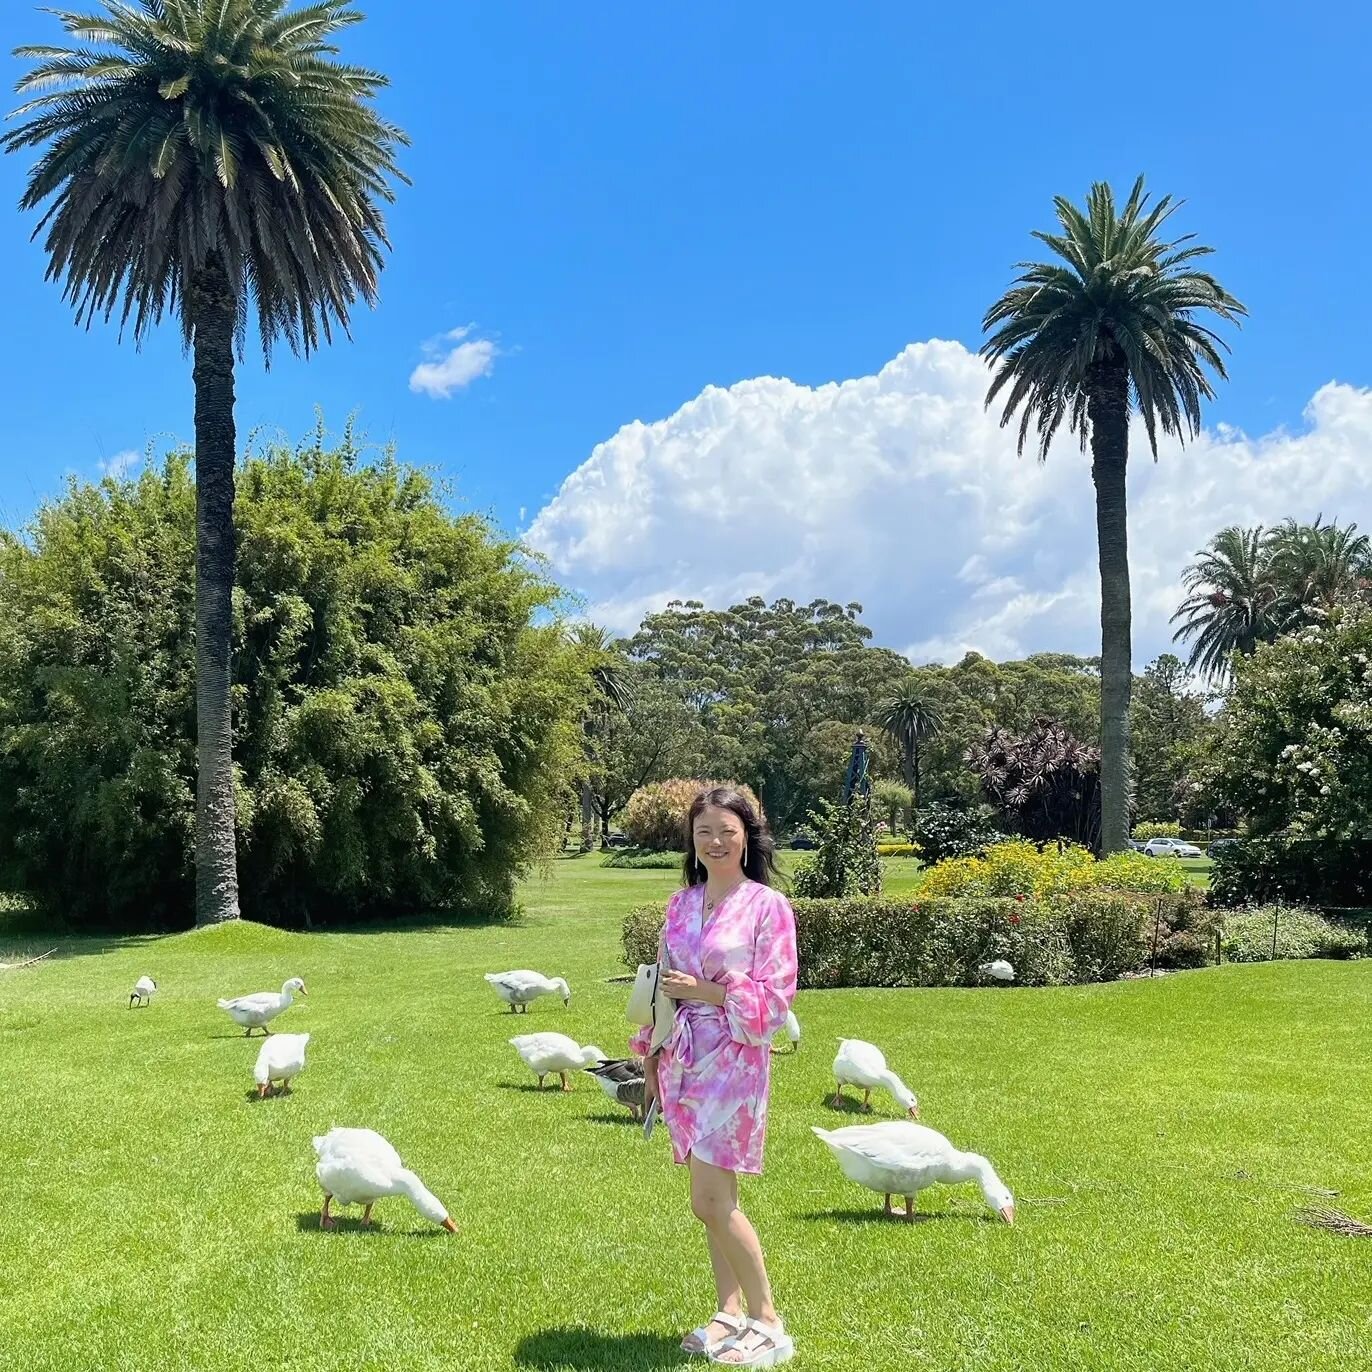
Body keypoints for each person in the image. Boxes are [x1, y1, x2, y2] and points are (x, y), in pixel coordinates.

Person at [634, 785, 798, 1368]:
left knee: (708, 1200)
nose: (715, 841)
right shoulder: (682, 905)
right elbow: (658, 985)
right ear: (693, 841)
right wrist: (650, 1055)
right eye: (704, 831)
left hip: (734, 1061)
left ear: (747, 836)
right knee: (716, 1197)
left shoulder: (767, 907)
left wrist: (707, 991)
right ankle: (728, 1311)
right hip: (682, 1056)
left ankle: (769, 1321)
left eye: (727, 830)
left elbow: (777, 1000)